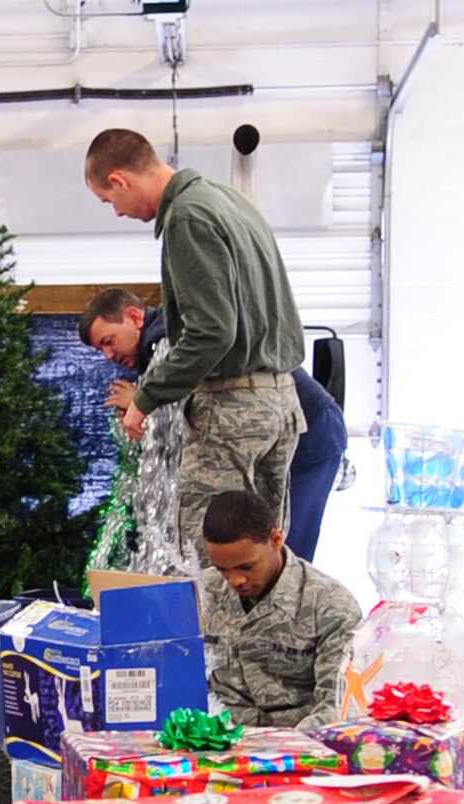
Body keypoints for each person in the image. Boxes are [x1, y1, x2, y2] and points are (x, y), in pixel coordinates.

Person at [84, 129, 307, 564]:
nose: (117, 212)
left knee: (212, 558)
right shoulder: (228, 202)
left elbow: (211, 333)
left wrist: (145, 398)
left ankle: (215, 636)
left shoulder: (187, 217)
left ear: (121, 179)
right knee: (263, 561)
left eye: (109, 200)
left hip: (232, 411)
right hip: (280, 402)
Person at [80, 287, 348, 563]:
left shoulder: (169, 338)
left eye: (108, 341)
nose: (108, 355)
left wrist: (142, 402)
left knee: (287, 547)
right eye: (102, 349)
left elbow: (174, 423)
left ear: (134, 316)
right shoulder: (159, 344)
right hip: (274, 433)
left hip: (311, 434)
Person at [196, 488, 362, 730]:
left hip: (300, 745)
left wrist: (286, 748)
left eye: (246, 566)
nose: (235, 580)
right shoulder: (201, 591)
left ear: (276, 539)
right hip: (214, 738)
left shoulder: (331, 605)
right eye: (223, 569)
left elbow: (339, 704)